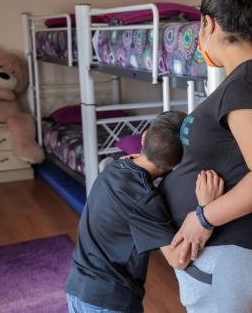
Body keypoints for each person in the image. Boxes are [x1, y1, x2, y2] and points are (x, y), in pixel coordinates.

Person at [159, 0, 252, 313]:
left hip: (236, 246)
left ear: (209, 24)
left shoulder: (247, 84)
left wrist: (202, 218)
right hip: (244, 245)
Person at [65, 110, 224, 313]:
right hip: (107, 300)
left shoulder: (114, 166)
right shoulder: (145, 200)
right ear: (177, 167)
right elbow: (178, 260)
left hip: (77, 288)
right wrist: (206, 211)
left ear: (143, 137)